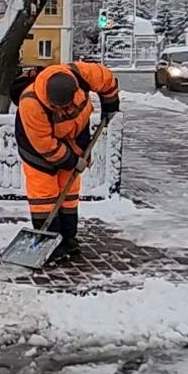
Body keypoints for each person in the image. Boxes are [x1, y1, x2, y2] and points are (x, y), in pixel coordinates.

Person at [13, 61, 119, 258]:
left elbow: (106, 79)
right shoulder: (31, 103)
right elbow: (46, 146)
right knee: (44, 197)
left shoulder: (81, 74)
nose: (63, 111)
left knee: (69, 193)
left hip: (72, 139)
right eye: (58, 108)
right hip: (37, 150)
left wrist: (110, 103)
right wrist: (71, 161)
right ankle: (49, 243)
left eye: (67, 106)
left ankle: (69, 238)